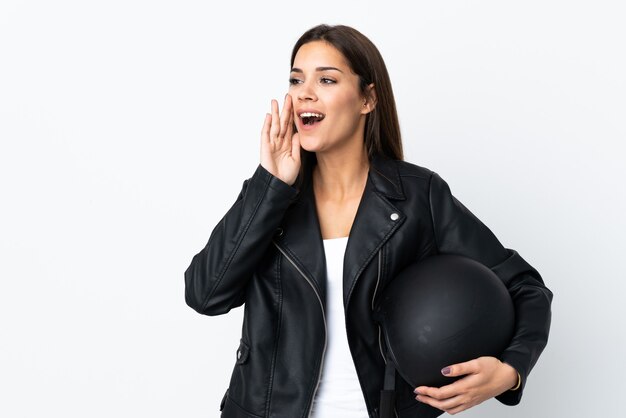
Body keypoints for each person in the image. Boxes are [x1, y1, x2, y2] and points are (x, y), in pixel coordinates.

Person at [184, 24, 553, 418]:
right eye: (296, 79)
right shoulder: (270, 196)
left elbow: (525, 287)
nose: (304, 91)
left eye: (326, 79)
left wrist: (510, 370)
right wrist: (270, 186)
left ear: (367, 99)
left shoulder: (417, 196)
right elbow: (205, 295)